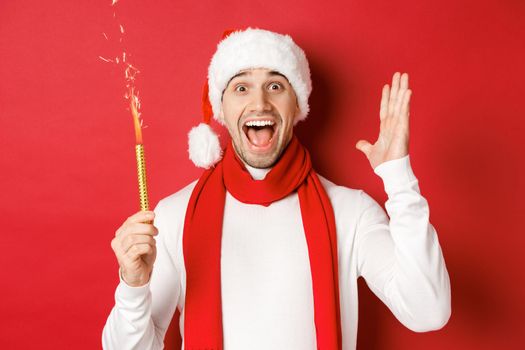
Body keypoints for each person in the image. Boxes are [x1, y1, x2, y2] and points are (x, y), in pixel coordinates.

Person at [102, 27, 451, 350]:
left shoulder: (351, 212)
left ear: (298, 104)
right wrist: (133, 286)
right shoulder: (174, 215)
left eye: (275, 86)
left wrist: (398, 178)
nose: (259, 104)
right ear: (221, 108)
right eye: (241, 88)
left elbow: (428, 311)